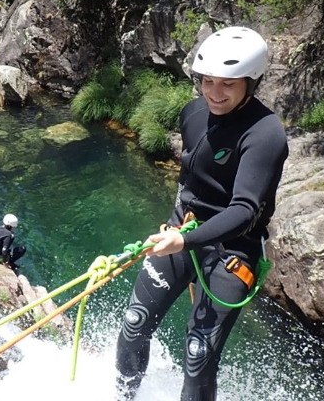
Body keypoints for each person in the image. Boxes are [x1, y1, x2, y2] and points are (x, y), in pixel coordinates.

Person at [115, 26, 289, 401]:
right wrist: (179, 227)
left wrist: (184, 239)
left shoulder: (265, 134)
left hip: (232, 251)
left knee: (198, 357)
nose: (214, 92)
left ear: (251, 82)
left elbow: (245, 210)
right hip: (184, 231)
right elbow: (190, 180)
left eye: (227, 84)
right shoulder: (193, 114)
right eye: (207, 81)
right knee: (133, 324)